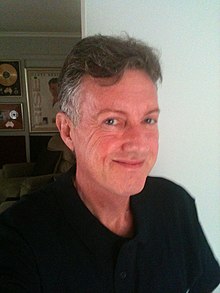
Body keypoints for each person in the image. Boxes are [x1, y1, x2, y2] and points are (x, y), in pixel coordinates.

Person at [0, 35, 219, 292]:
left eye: (148, 120)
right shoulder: (18, 240)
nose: (138, 144)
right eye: (112, 121)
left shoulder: (175, 205)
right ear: (68, 131)